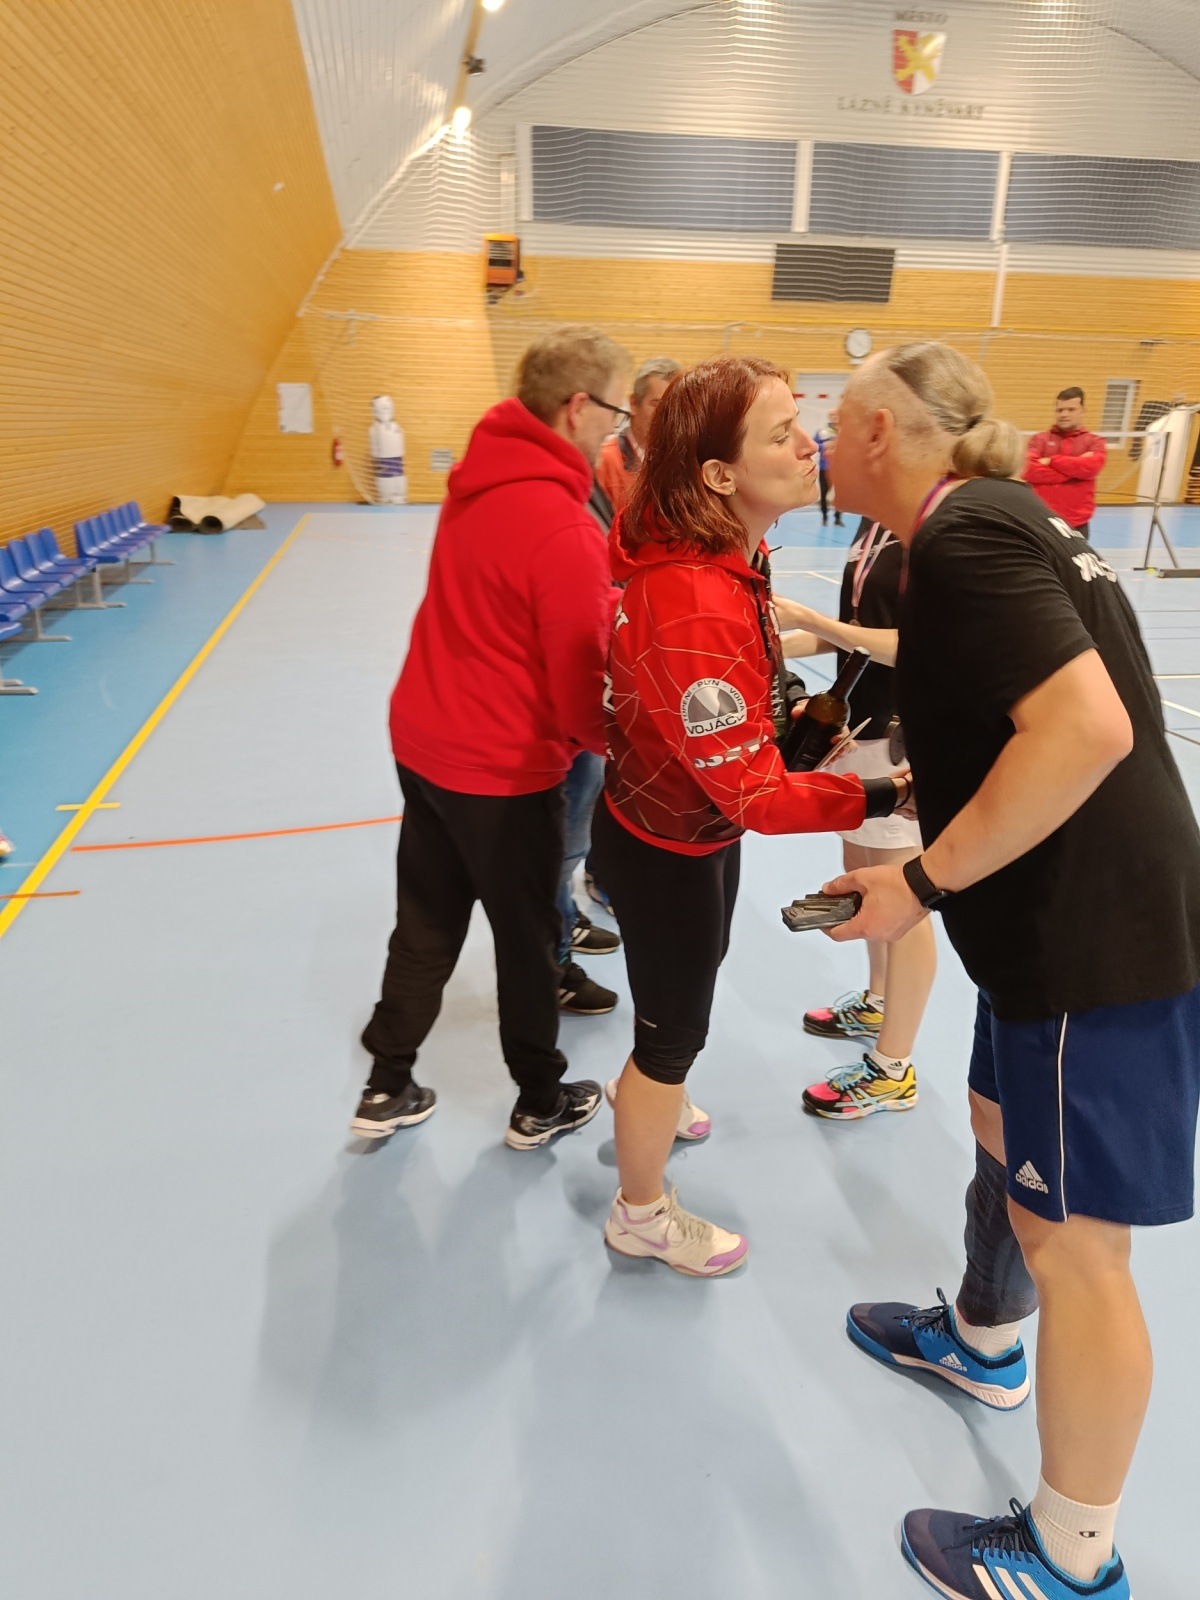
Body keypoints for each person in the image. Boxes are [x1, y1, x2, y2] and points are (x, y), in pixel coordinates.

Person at [822, 341, 1200, 1600]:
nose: (822, 443)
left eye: (833, 421)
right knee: (997, 1123)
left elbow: (1087, 728)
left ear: (882, 431)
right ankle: (983, 1338)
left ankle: (1071, 1557)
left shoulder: (968, 537)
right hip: (1049, 922)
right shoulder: (1001, 516)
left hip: (1091, 937)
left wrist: (922, 879)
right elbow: (1020, 713)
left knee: (1079, 1247)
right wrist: (917, 789)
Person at [592, 356, 910, 1277]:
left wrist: (797, 707)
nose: (809, 444)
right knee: (673, 1034)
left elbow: (735, 709)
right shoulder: (693, 599)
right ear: (719, 475)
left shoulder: (735, 557)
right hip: (668, 849)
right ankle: (639, 1210)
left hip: (690, 831)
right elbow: (758, 797)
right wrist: (887, 792)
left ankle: (652, 1089)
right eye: (781, 434)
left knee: (680, 997)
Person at [351, 325, 631, 1150]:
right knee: (527, 938)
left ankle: (386, 1083)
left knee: (425, 923)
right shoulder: (564, 525)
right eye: (615, 412)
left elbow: (497, 609)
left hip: (425, 742)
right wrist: (626, 748)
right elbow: (578, 689)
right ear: (577, 407)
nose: (614, 430)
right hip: (501, 768)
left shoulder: (476, 485)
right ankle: (540, 1098)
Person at [775, 516, 936, 1119]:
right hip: (857, 729)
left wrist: (809, 618)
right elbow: (859, 635)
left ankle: (893, 1069)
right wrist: (768, 645)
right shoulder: (873, 527)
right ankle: (878, 1000)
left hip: (900, 736)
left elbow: (916, 642)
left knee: (904, 899)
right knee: (864, 875)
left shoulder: (929, 532)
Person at [595, 357, 681, 513]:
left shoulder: (681, 461)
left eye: (673, 405)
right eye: (656, 404)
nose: (666, 415)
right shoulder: (605, 461)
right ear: (633, 403)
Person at [1023, 386, 1106, 538]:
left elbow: (1092, 467)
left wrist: (1051, 460)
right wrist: (1074, 471)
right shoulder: (1039, 439)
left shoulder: (1095, 442)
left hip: (1077, 523)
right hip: (1041, 521)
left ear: (1083, 411)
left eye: (1071, 409)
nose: (1064, 414)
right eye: (1060, 410)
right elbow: (1027, 469)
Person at [814, 422, 842, 527]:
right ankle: (824, 517)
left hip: (840, 468)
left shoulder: (844, 432)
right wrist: (824, 446)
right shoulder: (822, 432)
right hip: (824, 468)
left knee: (840, 494)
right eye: (832, 415)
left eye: (836, 415)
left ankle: (838, 518)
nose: (834, 417)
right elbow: (814, 445)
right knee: (824, 492)